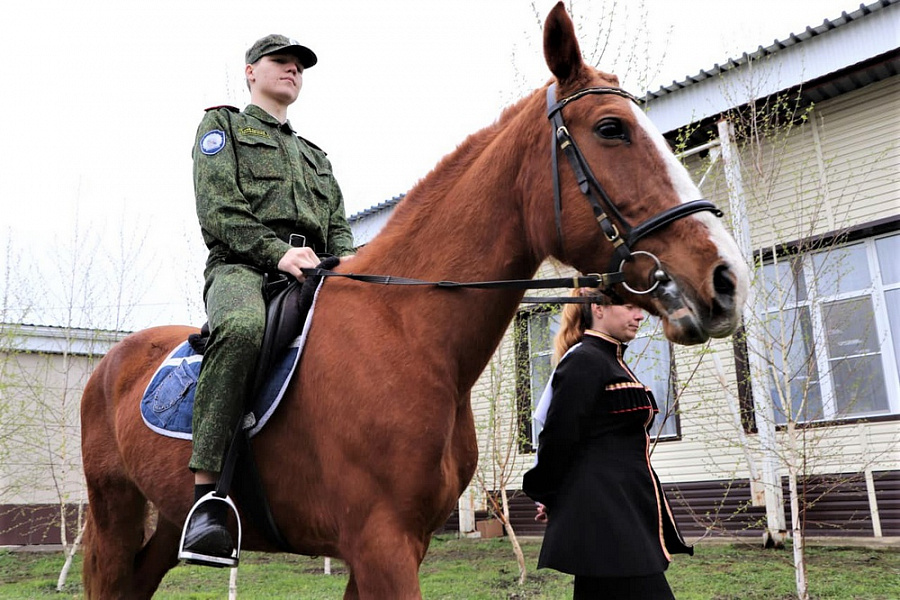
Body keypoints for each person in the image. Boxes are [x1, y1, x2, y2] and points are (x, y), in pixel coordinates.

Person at [180, 33, 355, 565]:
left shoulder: (315, 156)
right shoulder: (223, 128)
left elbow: (339, 228)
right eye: (281, 62)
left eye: (300, 66)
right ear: (251, 71)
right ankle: (207, 498)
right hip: (242, 267)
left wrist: (348, 266)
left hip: (315, 273)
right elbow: (219, 211)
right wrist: (277, 252)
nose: (293, 71)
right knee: (241, 330)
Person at [522, 288, 692, 599]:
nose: (640, 315)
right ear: (598, 308)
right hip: (607, 516)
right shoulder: (585, 360)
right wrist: (546, 492)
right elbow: (558, 436)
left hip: (621, 510)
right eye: (629, 307)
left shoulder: (610, 360)